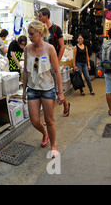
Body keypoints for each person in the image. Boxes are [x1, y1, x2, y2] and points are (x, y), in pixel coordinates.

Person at [22, 20, 65, 159]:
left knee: (49, 119)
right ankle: (44, 133)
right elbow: (25, 71)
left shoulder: (49, 48)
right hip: (32, 89)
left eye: (32, 34)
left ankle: (53, 145)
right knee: (34, 120)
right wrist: (23, 90)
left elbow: (57, 72)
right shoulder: (27, 49)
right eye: (29, 34)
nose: (29, 37)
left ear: (40, 33)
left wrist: (61, 92)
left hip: (47, 89)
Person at [38, 8, 70, 117]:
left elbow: (62, 47)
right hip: (43, 64)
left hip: (53, 63)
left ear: (46, 16)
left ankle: (65, 104)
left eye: (40, 16)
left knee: (56, 90)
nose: (39, 18)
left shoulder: (56, 29)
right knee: (47, 90)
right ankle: (49, 117)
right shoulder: (40, 31)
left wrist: (57, 60)